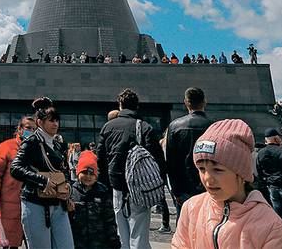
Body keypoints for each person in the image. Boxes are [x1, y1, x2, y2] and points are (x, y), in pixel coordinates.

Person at [172, 119, 282, 248]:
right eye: (202, 169)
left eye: (217, 170)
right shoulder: (191, 208)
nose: (207, 178)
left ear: (242, 173)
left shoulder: (272, 228)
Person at [97, 88, 166, 249]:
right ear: (137, 106)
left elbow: (100, 159)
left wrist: (105, 184)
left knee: (122, 235)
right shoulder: (144, 127)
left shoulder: (108, 127)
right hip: (139, 187)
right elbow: (157, 160)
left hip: (117, 187)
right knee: (139, 235)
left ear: (120, 105)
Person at [10, 97, 74, 248]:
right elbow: (15, 168)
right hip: (35, 202)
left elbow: (64, 170)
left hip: (58, 202)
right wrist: (42, 180)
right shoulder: (31, 142)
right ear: (40, 122)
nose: (55, 124)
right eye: (51, 120)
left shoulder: (59, 144)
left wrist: (68, 188)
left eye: (57, 120)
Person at [165, 87, 213, 220]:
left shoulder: (175, 126)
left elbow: (171, 162)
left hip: (184, 187)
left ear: (186, 102)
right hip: (209, 184)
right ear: (205, 102)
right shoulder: (214, 125)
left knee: (185, 229)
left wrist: (176, 191)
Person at [0, 117, 31, 249]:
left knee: (33, 241)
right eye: (28, 128)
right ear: (20, 129)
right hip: (9, 202)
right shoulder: (6, 146)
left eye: (34, 129)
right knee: (10, 242)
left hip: (31, 201)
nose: (31, 131)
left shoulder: (37, 148)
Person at [69, 150, 121, 249]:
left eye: (91, 174)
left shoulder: (103, 192)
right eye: (84, 172)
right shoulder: (71, 192)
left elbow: (110, 220)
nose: (88, 176)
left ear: (96, 176)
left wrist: (114, 241)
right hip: (78, 243)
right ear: (78, 172)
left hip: (100, 243)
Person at [257, 128, 282, 222]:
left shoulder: (261, 153)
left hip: (272, 187)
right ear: (276, 139)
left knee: (278, 214)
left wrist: (266, 182)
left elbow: (259, 171)